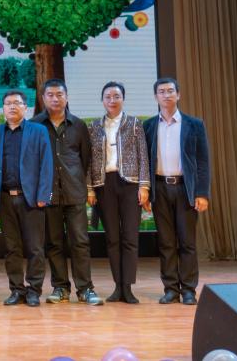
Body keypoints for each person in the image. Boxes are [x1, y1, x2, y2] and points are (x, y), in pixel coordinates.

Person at [32, 79, 102, 305]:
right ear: (43, 98)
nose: (55, 98)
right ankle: (60, 287)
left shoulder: (78, 125)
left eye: (59, 94)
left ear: (67, 97)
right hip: (48, 194)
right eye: (50, 95)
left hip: (74, 193)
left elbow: (85, 159)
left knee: (80, 241)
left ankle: (85, 289)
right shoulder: (35, 125)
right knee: (54, 243)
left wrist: (86, 188)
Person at [144, 77, 211, 305]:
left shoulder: (194, 124)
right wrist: (146, 190)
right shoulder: (149, 126)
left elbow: (203, 161)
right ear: (156, 97)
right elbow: (145, 161)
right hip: (160, 188)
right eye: (161, 91)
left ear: (178, 95)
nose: (166, 95)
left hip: (185, 189)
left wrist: (202, 193)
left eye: (170, 91)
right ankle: (171, 289)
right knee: (166, 243)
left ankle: (189, 290)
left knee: (187, 242)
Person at [87, 81, 149, 304]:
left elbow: (143, 155)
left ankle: (128, 288)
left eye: (116, 96)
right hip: (104, 184)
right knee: (112, 238)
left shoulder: (134, 124)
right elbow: (88, 159)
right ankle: (117, 286)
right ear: (102, 100)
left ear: (123, 98)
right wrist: (90, 188)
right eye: (108, 97)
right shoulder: (94, 126)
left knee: (130, 237)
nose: (112, 100)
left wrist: (144, 186)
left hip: (130, 184)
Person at [0, 91, 52, 307]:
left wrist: (43, 195)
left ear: (25, 107)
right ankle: (17, 290)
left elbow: (46, 164)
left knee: (35, 248)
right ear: (3, 108)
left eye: (17, 103)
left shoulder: (38, 131)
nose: (12, 107)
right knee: (12, 248)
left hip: (32, 199)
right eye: (8, 103)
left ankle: (34, 290)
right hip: (5, 198)